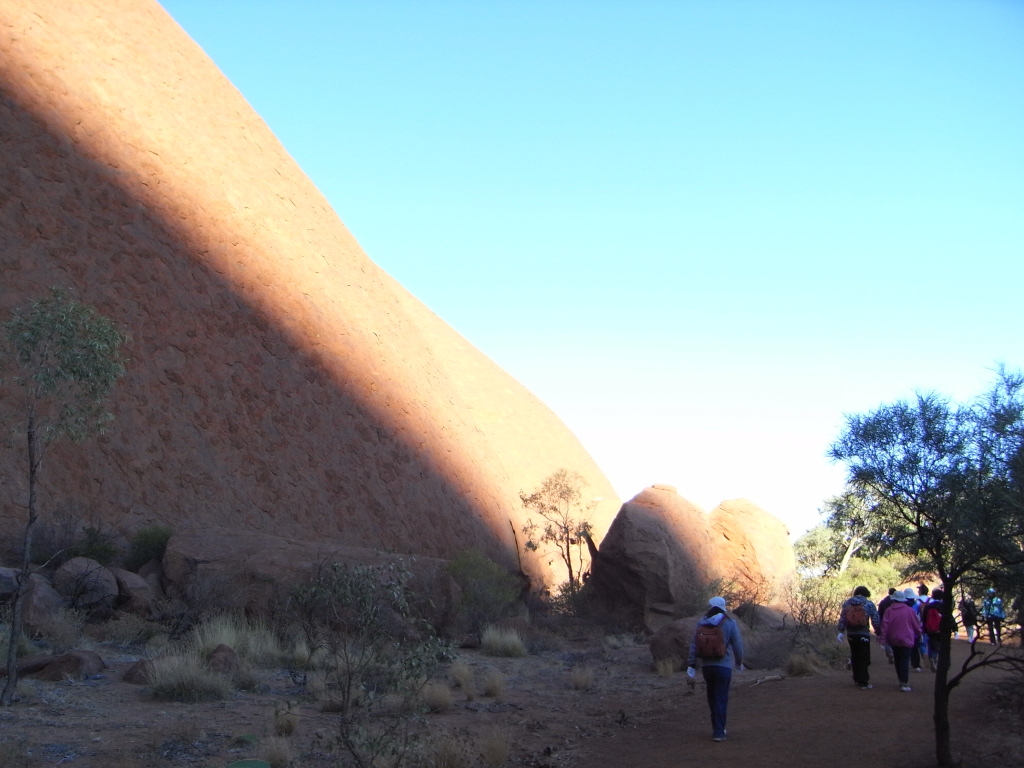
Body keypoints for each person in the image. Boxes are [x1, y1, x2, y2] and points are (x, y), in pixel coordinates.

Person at [686, 596, 744, 743]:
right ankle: (719, 731)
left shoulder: (701, 623)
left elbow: (694, 646)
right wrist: (738, 662)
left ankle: (716, 728)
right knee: (721, 697)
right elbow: (737, 646)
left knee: (712, 697)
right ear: (723, 607)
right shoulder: (730, 623)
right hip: (724, 666)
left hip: (707, 667)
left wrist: (691, 665)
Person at [837, 586, 881, 689]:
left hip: (851, 634)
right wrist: (878, 632)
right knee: (864, 657)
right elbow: (875, 619)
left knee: (855, 655)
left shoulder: (847, 603)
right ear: (866, 593)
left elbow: (843, 618)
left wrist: (841, 631)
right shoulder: (868, 603)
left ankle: (856, 678)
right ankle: (864, 681)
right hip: (863, 633)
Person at [880, 588, 922, 692]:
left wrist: (883, 640)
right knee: (904, 659)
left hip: (893, 639)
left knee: (898, 659)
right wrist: (919, 633)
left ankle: (901, 680)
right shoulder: (909, 610)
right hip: (906, 638)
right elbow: (916, 624)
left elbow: (884, 626)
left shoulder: (889, 610)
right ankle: (904, 682)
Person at [920, 588, 946, 671]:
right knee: (942, 646)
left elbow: (924, 618)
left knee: (932, 645)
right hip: (942, 629)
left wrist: (924, 629)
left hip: (930, 629)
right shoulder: (944, 606)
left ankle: (932, 657)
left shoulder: (929, 606)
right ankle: (939, 662)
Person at [904, 588, 924, 671]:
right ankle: (916, 664)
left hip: (905, 628)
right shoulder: (917, 605)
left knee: (905, 647)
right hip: (915, 628)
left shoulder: (903, 605)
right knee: (915, 647)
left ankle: (906, 662)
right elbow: (920, 617)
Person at [876, 588, 898, 663]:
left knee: (887, 640)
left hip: (885, 622)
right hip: (896, 623)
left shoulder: (883, 602)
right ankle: (895, 653)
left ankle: (890, 652)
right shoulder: (897, 601)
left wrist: (879, 627)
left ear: (888, 593)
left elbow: (879, 614)